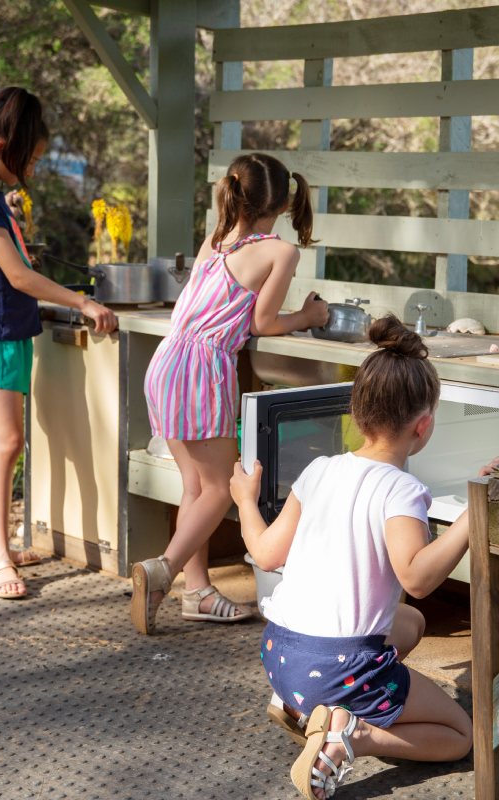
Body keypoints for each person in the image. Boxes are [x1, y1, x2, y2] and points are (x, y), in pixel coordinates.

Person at [230, 315, 478, 800]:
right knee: (459, 735)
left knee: (410, 623)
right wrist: (473, 515)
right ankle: (351, 734)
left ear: (357, 414)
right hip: (338, 669)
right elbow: (417, 577)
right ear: (423, 426)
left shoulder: (318, 469)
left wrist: (244, 500)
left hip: (280, 656)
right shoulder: (402, 489)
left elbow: (264, 553)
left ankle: (305, 707)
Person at [130, 153, 329, 634]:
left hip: (167, 362)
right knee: (220, 489)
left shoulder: (215, 240)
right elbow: (263, 322)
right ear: (283, 204)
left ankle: (197, 590)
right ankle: (162, 572)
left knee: (195, 488)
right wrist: (309, 317)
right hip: (202, 369)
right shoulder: (281, 252)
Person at [0, 86, 117, 600]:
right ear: (0, 149)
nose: (32, 172)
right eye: (30, 161)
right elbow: (19, 277)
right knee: (7, 442)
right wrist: (82, 302)